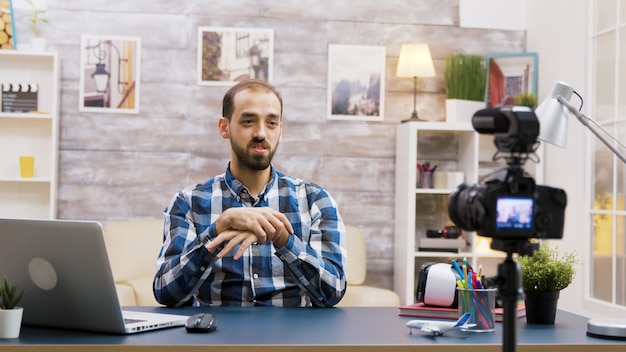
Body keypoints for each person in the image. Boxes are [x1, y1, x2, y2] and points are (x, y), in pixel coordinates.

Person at [153, 79, 347, 308]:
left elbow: (333, 291)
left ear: (280, 131)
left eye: (272, 123)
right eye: (248, 121)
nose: (260, 133)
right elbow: (165, 292)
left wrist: (284, 239)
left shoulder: (315, 201)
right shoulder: (188, 202)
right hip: (217, 340)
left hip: (293, 341)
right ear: (224, 127)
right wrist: (217, 230)